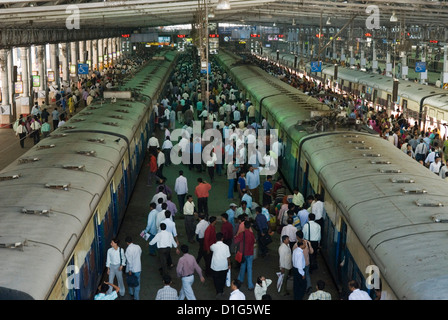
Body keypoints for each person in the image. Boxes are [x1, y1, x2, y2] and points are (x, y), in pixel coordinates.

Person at [234, 220, 256, 291]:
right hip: (250, 253)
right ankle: (250, 285)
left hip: (243, 253)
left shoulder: (242, 234)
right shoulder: (251, 234)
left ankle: (240, 280)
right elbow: (253, 241)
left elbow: (235, 241)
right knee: (250, 268)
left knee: (243, 266)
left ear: (244, 226)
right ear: (249, 226)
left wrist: (236, 236)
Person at [210, 232, 231, 298]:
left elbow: (210, 248)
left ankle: (218, 291)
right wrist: (229, 264)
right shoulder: (226, 247)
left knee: (216, 280)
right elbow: (228, 257)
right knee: (223, 279)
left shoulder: (213, 246)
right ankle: (222, 291)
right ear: (222, 238)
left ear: (216, 238)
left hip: (216, 267)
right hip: (224, 266)